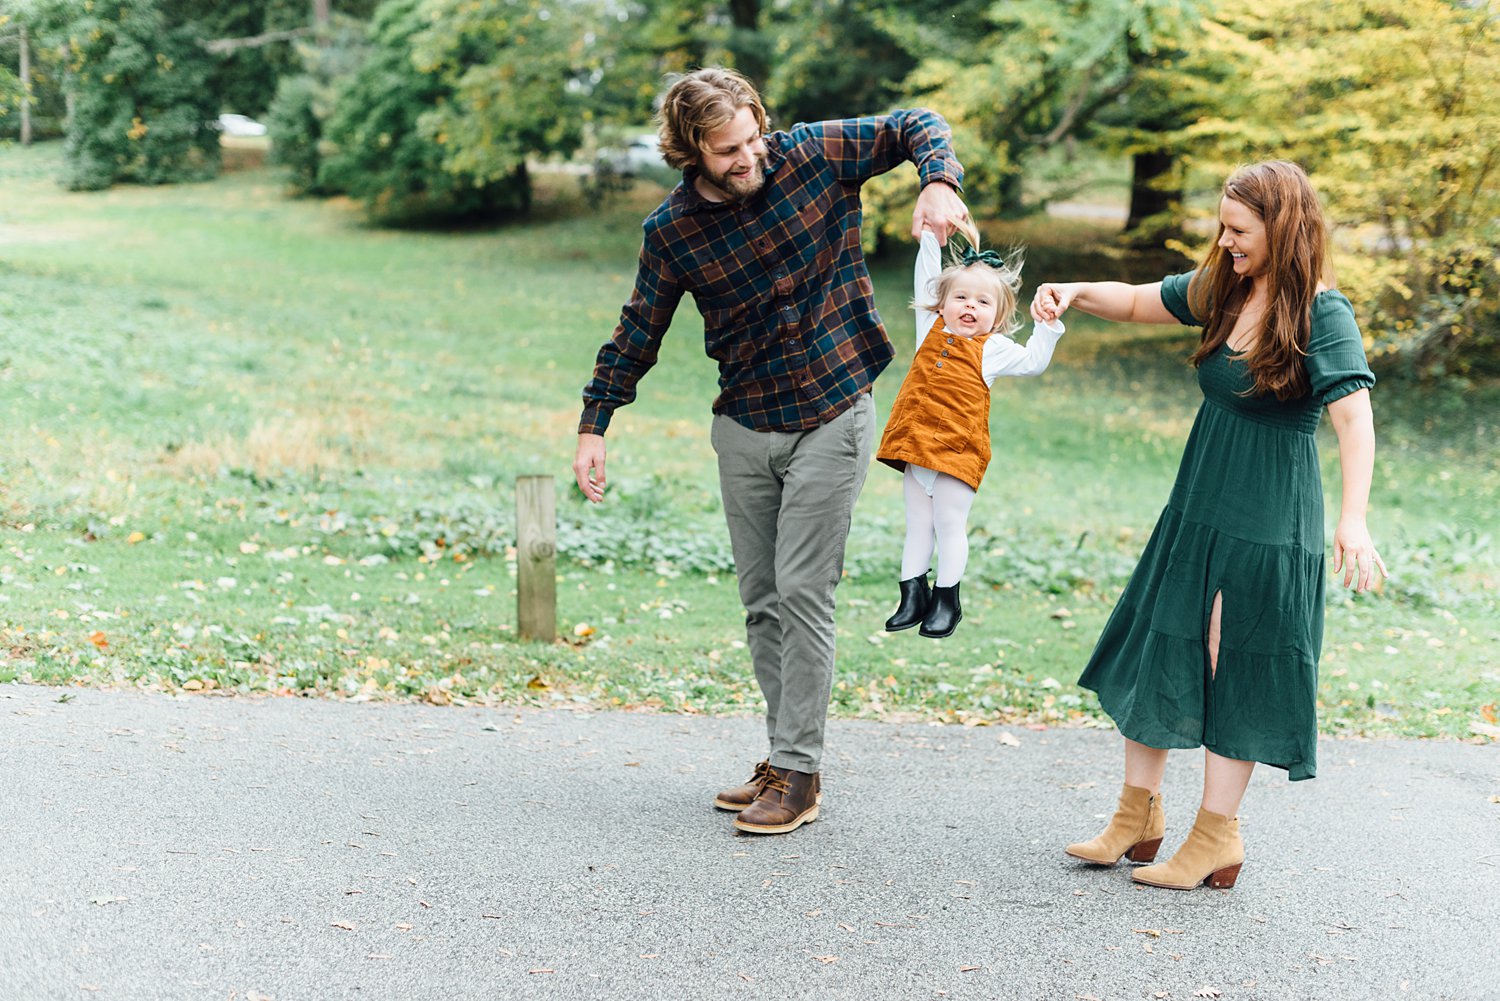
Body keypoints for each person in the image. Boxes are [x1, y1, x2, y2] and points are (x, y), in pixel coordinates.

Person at [572, 67, 971, 836]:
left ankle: (800, 772)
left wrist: (938, 180)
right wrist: (597, 421)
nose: (749, 155)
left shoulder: (813, 154)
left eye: (753, 136)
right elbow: (637, 331)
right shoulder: (674, 231)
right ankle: (782, 758)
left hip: (833, 410)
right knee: (762, 602)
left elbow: (915, 119)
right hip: (747, 426)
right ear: (692, 151)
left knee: (803, 590)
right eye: (728, 149)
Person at [1030, 160, 1386, 890]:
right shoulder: (1226, 287)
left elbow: (1354, 415)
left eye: (1238, 230)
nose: (1224, 241)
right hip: (1198, 504)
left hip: (1267, 519)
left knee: (1236, 659)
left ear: (1283, 230)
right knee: (1164, 634)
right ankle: (1137, 814)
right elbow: (1137, 303)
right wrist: (1075, 292)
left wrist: (1354, 519)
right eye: (1222, 227)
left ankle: (1216, 836)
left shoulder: (1324, 313)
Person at [876, 226, 1064, 638]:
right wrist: (930, 236)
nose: (969, 307)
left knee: (948, 524)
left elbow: (1033, 362)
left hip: (958, 452)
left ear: (996, 316)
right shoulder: (931, 328)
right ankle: (912, 594)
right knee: (917, 524)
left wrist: (1047, 327)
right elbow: (925, 273)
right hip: (915, 444)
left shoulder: (992, 348)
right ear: (941, 304)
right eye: (960, 297)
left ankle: (946, 600)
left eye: (982, 302)